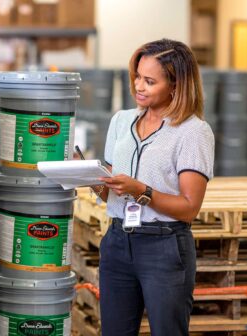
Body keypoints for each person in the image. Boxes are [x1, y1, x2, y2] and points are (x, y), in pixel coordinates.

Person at [92, 39, 215, 335]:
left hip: (164, 247)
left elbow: (189, 208)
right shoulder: (121, 121)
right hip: (117, 241)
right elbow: (111, 191)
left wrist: (140, 191)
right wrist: (89, 177)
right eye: (137, 77)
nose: (139, 86)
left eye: (150, 81)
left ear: (176, 85)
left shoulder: (192, 132)